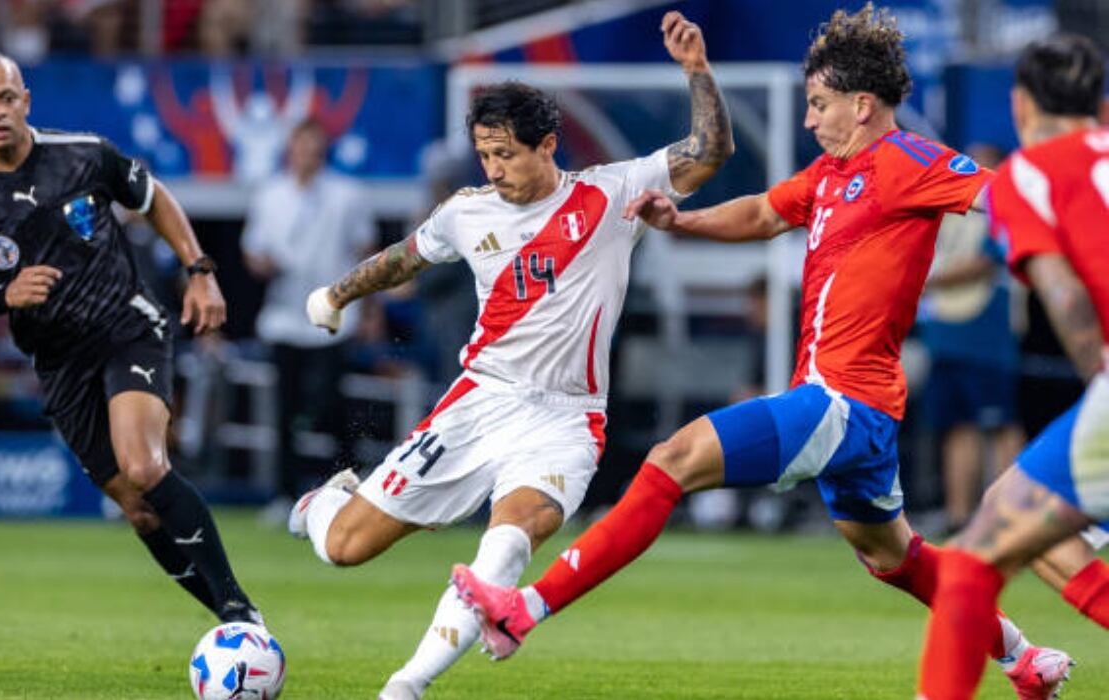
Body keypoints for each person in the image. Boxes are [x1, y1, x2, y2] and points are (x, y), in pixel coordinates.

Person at [451, 7, 1076, 698]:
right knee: (890, 556)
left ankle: (524, 608)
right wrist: (680, 221)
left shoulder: (910, 161)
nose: (809, 120)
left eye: (819, 104)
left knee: (672, 460)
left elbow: (1000, 193)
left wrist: (1072, 221)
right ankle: (1023, 658)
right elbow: (762, 213)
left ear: (862, 105)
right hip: (856, 409)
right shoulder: (833, 175)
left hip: (843, 401)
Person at [287, 12, 734, 699]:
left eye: (508, 156)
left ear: (548, 145)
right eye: (486, 156)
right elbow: (403, 258)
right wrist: (337, 294)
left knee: (510, 539)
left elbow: (708, 152)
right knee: (344, 547)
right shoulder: (468, 212)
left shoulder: (611, 193)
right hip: (478, 403)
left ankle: (405, 687)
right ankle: (324, 502)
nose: (495, 172)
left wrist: (697, 69)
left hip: (564, 420)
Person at [0, 51, 262, 626]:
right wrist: (2, 296)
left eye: (7, 97)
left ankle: (238, 606)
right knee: (138, 510)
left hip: (125, 324)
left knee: (143, 466)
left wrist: (200, 271)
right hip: (59, 362)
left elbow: (154, 198)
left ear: (26, 100)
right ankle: (237, 625)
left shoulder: (83, 154)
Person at [916, 34, 1109, 700]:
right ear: (1102, 107)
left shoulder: (1026, 176)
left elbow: (1064, 293)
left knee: (972, 559)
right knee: (1015, 511)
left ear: (1020, 105)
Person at [242, 117, 374, 513]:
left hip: (334, 316)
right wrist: (263, 265)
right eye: (301, 147)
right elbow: (253, 251)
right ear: (291, 149)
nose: (307, 155)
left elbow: (366, 251)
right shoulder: (271, 194)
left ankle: (348, 484)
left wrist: (367, 306)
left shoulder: (347, 194)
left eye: (314, 147)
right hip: (284, 315)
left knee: (331, 402)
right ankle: (285, 494)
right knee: (284, 409)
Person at [919, 143, 1027, 534]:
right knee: (956, 424)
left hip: (987, 332)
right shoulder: (948, 209)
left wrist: (924, 282)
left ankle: (1008, 514)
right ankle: (959, 514)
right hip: (946, 329)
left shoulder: (1008, 208)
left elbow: (986, 262)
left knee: (1000, 423)